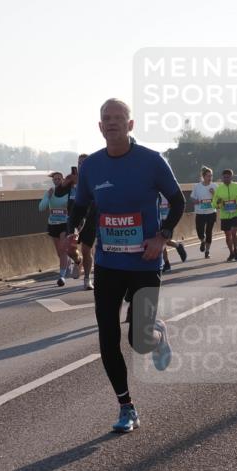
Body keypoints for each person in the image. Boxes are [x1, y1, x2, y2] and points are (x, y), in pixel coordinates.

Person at [67, 98, 183, 434]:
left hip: (145, 262)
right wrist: (71, 232)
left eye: (120, 118)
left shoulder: (151, 161)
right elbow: (81, 206)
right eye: (107, 118)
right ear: (100, 126)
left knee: (139, 339)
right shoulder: (91, 167)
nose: (113, 123)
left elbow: (177, 200)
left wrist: (162, 237)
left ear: (130, 125)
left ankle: (156, 335)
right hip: (109, 263)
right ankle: (126, 406)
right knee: (107, 333)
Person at [40, 171, 81, 286]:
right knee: (59, 251)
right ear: (53, 180)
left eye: (59, 179)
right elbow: (41, 207)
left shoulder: (68, 192)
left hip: (65, 224)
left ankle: (61, 276)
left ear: (63, 180)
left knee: (63, 249)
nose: (57, 181)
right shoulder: (51, 191)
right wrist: (48, 197)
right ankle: (71, 263)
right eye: (55, 179)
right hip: (53, 224)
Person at [213, 168, 237, 261]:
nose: (226, 179)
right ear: (222, 178)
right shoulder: (219, 188)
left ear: (231, 177)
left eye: (228, 177)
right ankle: (231, 253)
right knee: (228, 235)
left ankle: (236, 250)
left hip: (235, 213)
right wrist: (218, 203)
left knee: (233, 232)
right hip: (224, 215)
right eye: (224, 177)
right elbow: (214, 203)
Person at [73, 154, 96, 290]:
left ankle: (87, 279)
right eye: (79, 163)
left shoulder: (94, 179)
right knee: (69, 249)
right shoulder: (71, 181)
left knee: (87, 250)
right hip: (74, 220)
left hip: (90, 220)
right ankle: (77, 260)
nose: (81, 165)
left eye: (84, 162)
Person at [191, 167, 218, 259]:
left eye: (211, 176)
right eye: (208, 176)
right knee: (200, 231)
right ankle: (202, 241)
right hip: (200, 212)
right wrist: (195, 201)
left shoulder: (214, 186)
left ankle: (207, 251)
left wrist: (214, 193)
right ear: (203, 176)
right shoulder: (197, 186)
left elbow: (219, 199)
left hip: (211, 212)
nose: (210, 178)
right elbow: (192, 197)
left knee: (209, 231)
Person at [158, 193, 188, 273]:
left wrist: (171, 205)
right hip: (157, 220)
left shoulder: (167, 191)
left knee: (164, 241)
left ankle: (167, 263)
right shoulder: (153, 192)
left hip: (167, 220)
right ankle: (178, 246)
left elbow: (178, 204)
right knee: (162, 242)